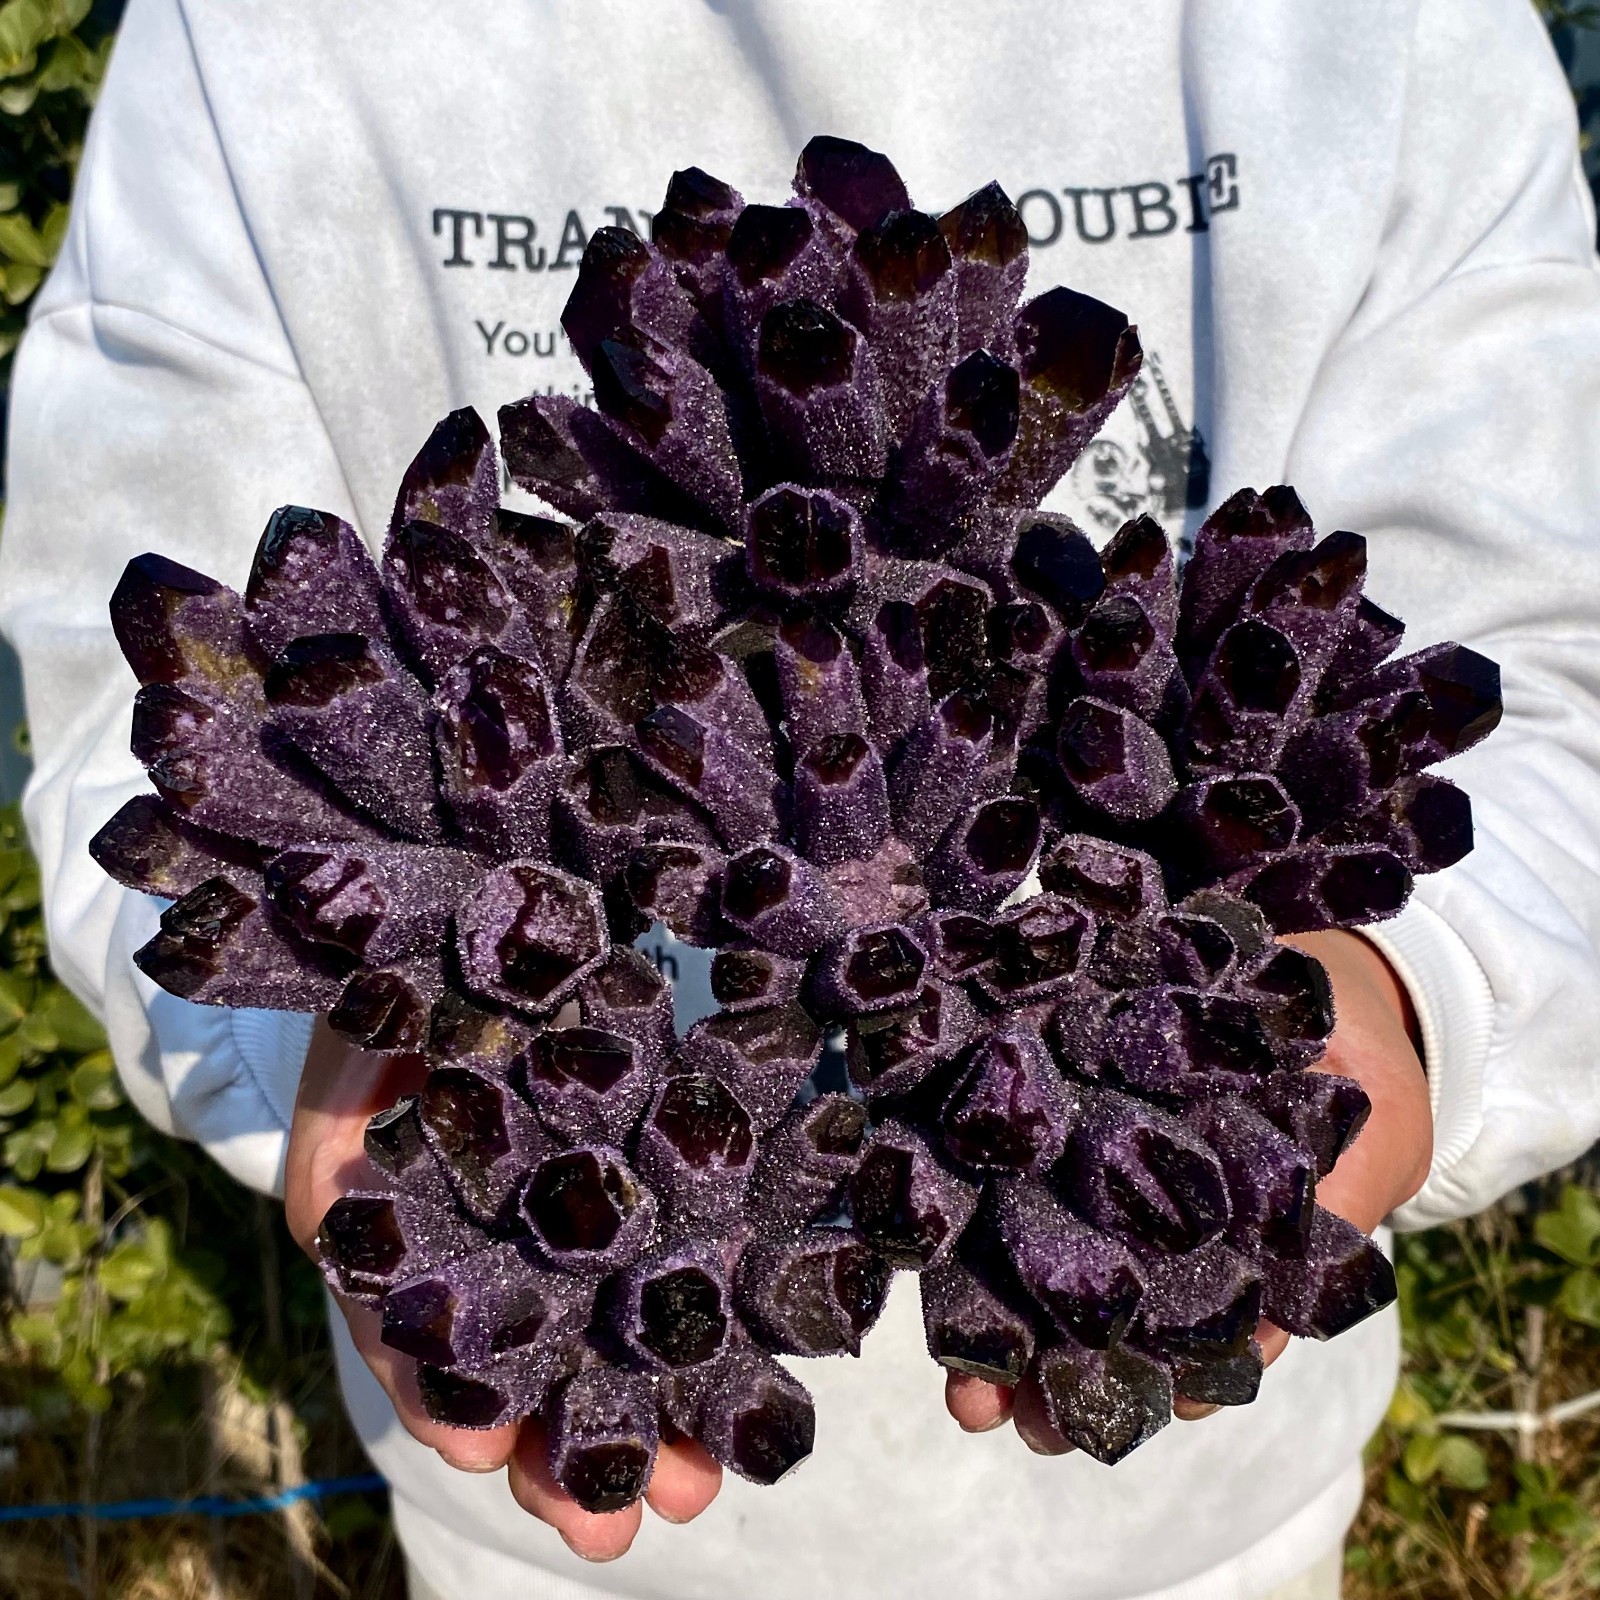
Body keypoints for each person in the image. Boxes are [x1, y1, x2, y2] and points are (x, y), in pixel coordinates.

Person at [4, 1, 1599, 1597]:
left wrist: (1415, 982)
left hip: (1204, 1539)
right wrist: (341, 1032)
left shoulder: (1398, 32)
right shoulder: (256, 39)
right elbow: (114, 710)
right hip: (557, 1557)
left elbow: (1557, 664)